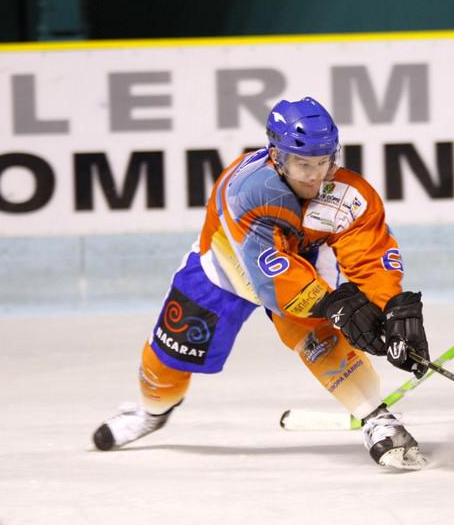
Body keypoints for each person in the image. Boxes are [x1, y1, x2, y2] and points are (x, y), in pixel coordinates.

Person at [92, 97, 430, 470]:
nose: (315, 176)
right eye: (303, 164)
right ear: (276, 157)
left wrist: (391, 308)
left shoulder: (348, 195)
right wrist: (335, 305)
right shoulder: (249, 192)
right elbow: (271, 278)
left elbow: (369, 256)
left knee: (319, 333)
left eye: (323, 161)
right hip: (228, 267)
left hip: (304, 259)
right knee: (167, 360)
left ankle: (376, 417)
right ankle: (151, 412)